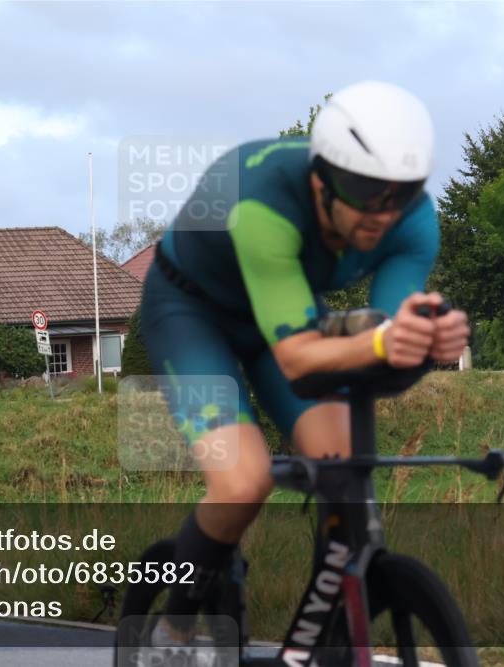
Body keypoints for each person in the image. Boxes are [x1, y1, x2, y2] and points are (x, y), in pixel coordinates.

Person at [139, 81, 471, 655]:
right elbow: (299, 355)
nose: (381, 213)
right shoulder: (262, 200)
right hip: (193, 311)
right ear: (322, 178)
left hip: (285, 310)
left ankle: (331, 630)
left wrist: (425, 340)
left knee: (342, 463)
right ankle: (173, 626)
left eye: (402, 194)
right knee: (243, 482)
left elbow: (383, 337)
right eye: (365, 190)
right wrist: (388, 341)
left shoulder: (414, 224)